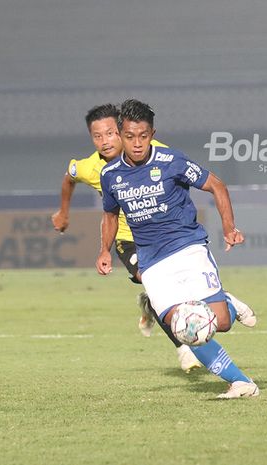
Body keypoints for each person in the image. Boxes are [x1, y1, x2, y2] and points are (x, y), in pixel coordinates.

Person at [96, 99, 259, 399]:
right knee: (185, 328)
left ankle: (229, 304)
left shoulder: (172, 160)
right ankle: (241, 382)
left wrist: (229, 228)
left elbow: (217, 186)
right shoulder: (110, 176)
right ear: (119, 135)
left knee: (220, 323)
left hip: (188, 249)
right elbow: (110, 214)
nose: (136, 144)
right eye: (130, 136)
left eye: (143, 136)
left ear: (152, 133)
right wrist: (105, 250)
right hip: (152, 264)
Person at [51, 103, 202, 372]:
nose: (105, 141)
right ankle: (184, 348)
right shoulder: (90, 167)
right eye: (97, 136)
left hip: (162, 234)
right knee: (154, 283)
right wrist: (63, 213)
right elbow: (68, 176)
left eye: (110, 133)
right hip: (126, 239)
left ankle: (149, 303)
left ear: (122, 132)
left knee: (177, 285)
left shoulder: (153, 150)